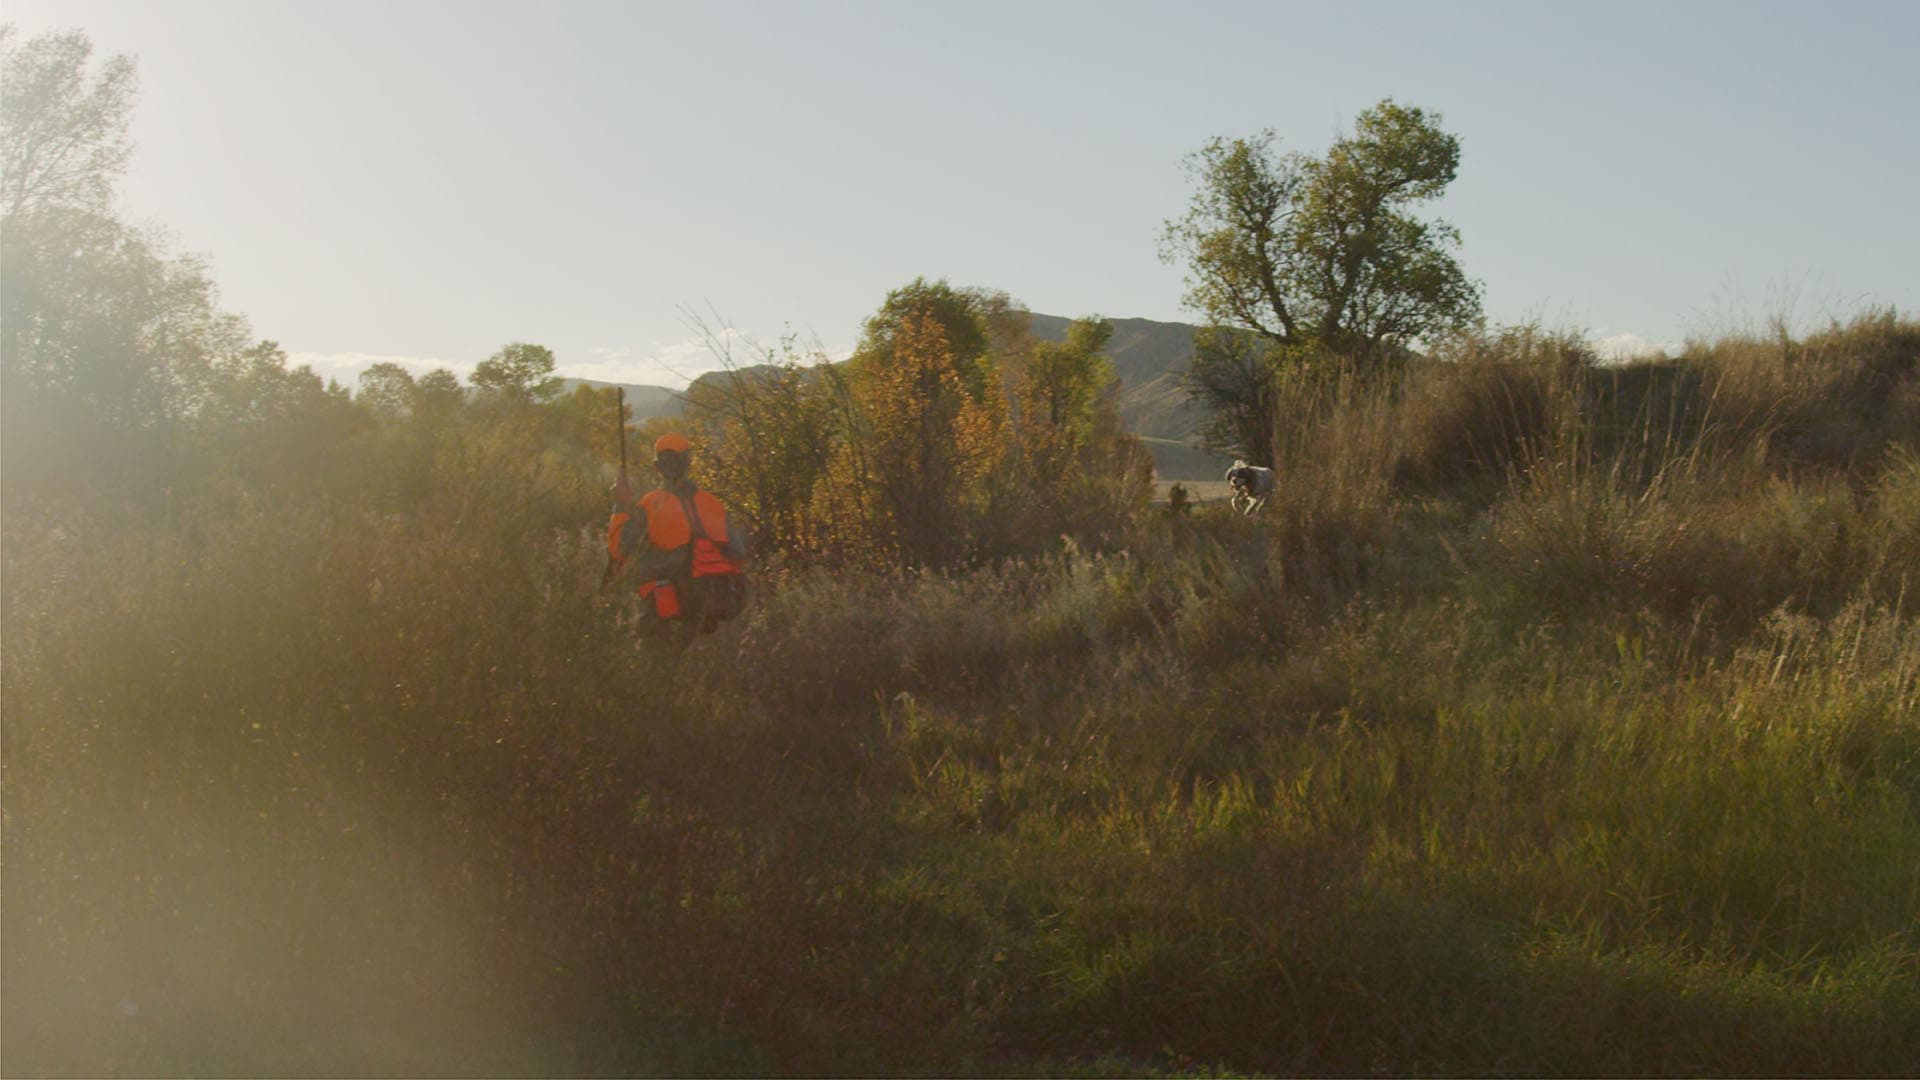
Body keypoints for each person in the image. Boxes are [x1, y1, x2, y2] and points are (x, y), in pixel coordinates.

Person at [606, 432, 748, 641]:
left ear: (657, 467)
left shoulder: (651, 503)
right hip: (719, 605)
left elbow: (619, 549)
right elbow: (739, 554)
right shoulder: (712, 503)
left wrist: (620, 505)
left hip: (669, 614)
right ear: (688, 462)